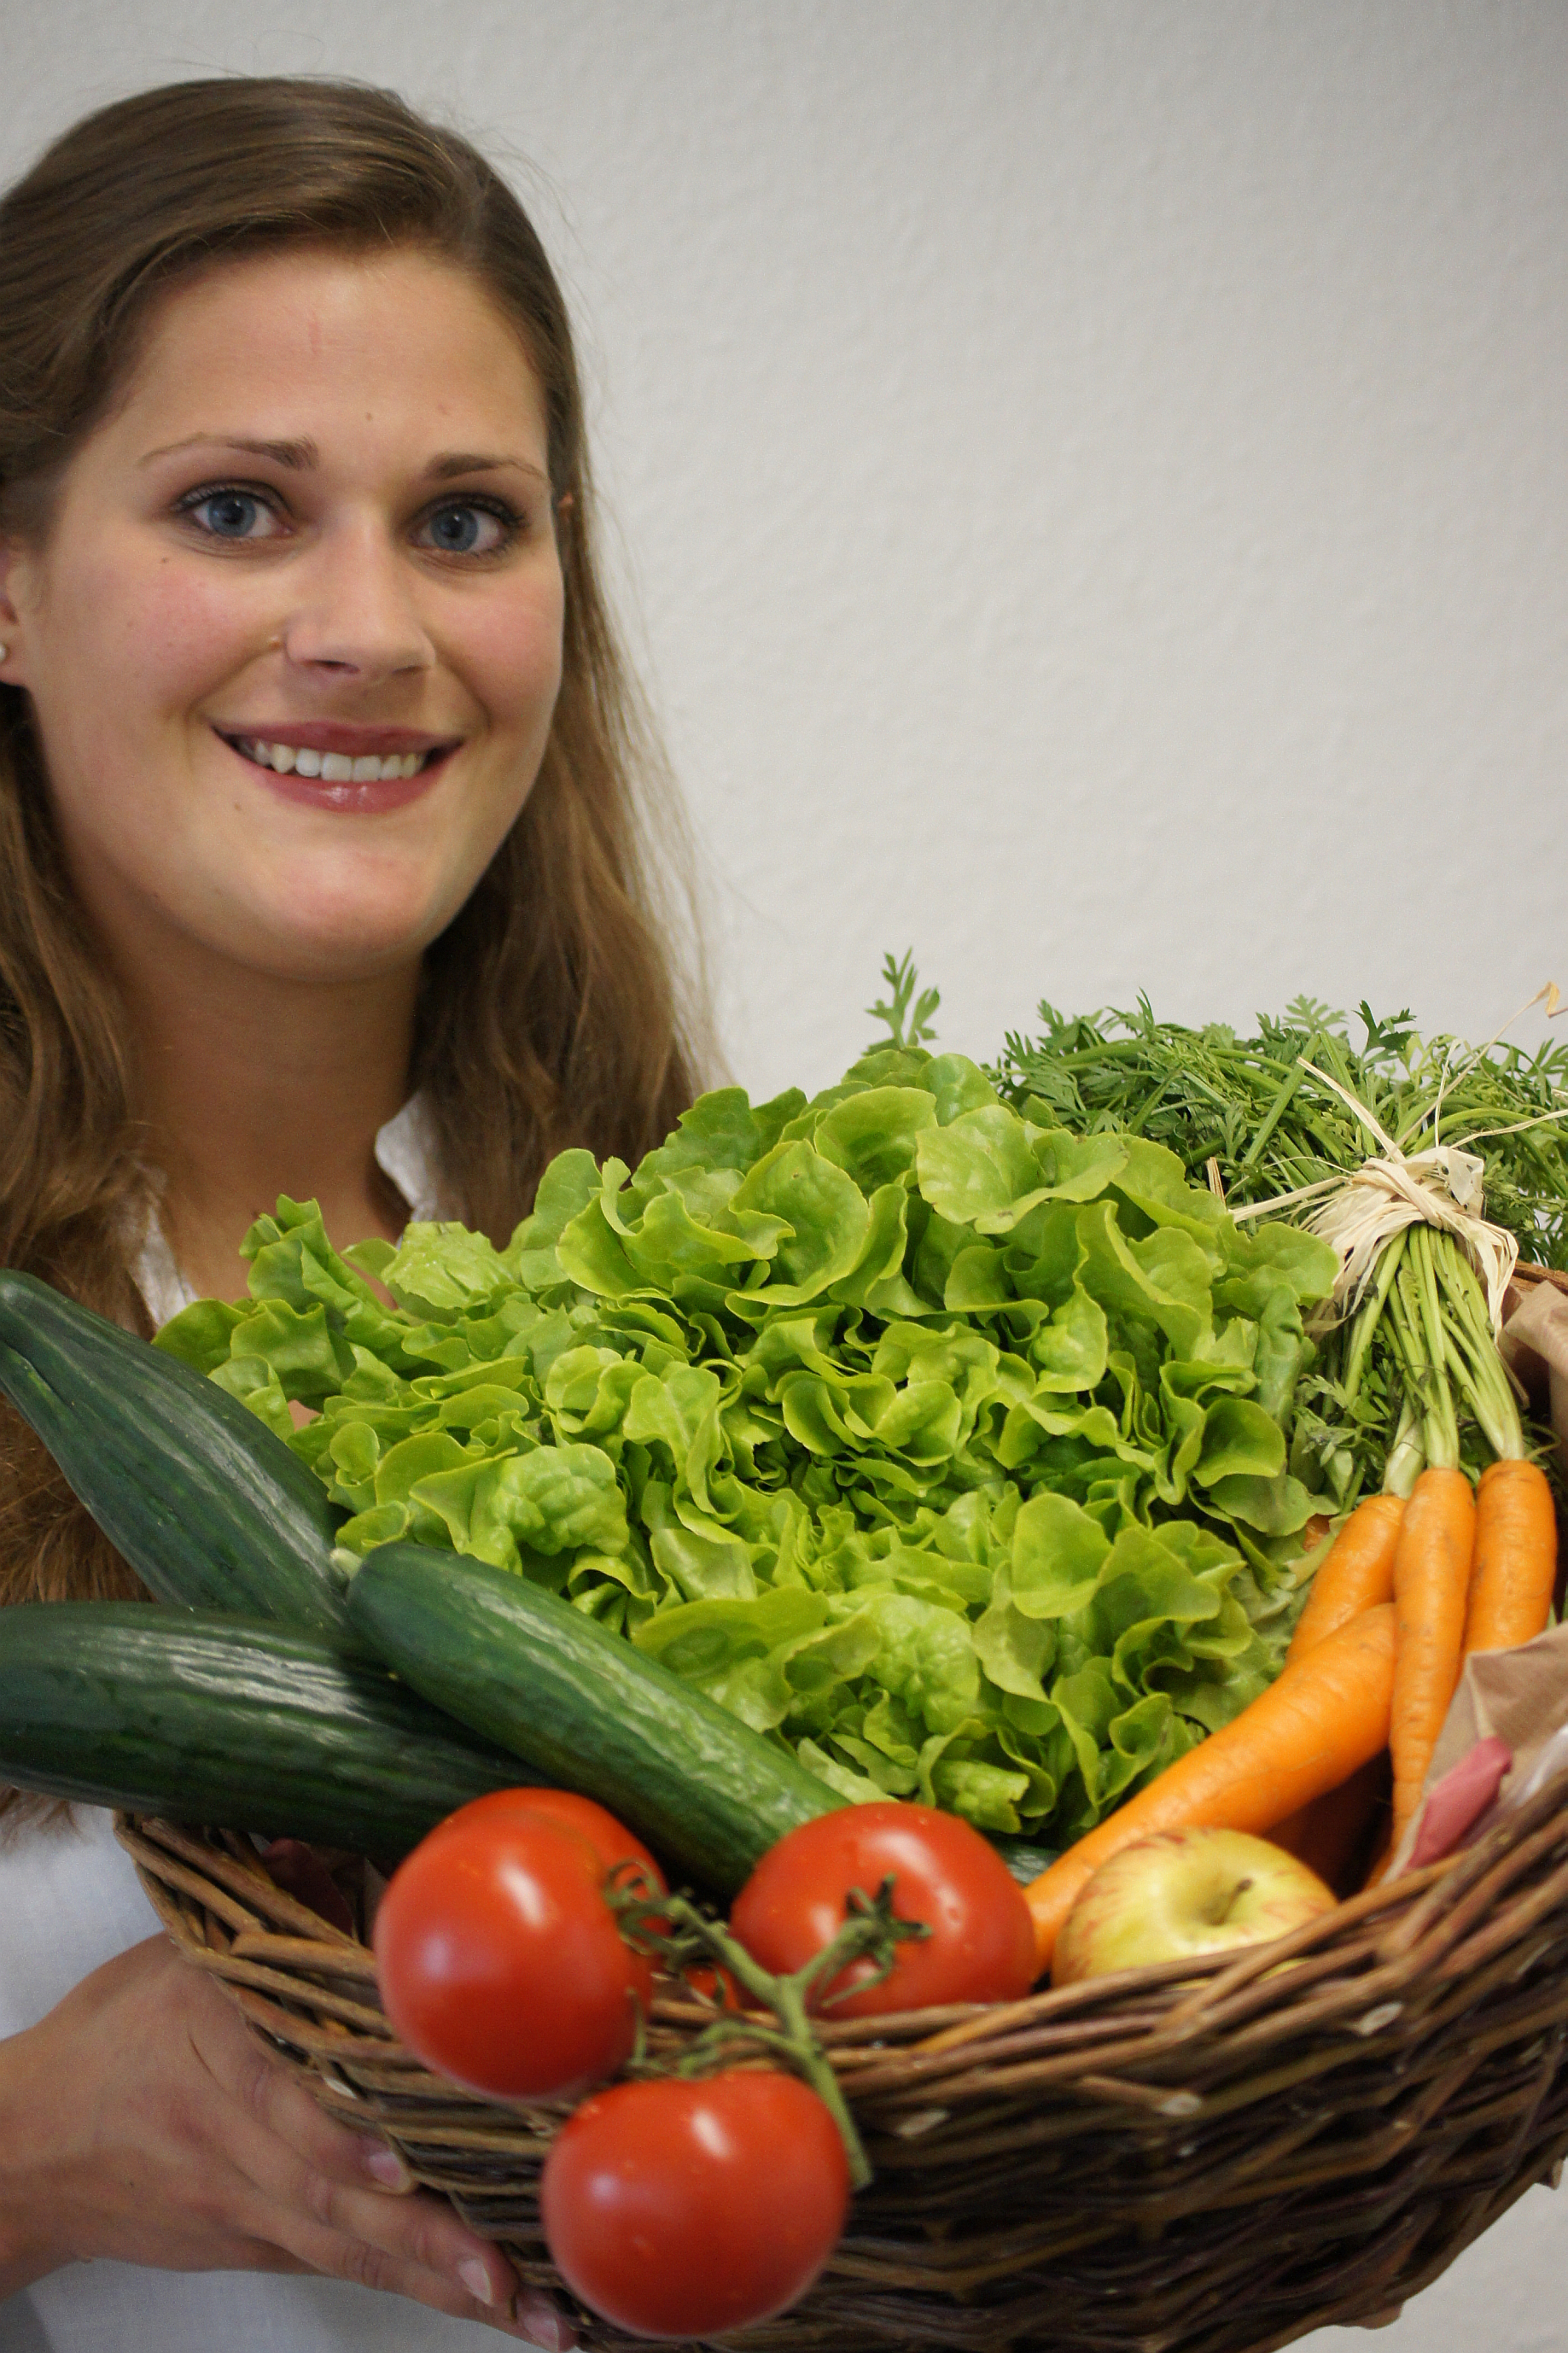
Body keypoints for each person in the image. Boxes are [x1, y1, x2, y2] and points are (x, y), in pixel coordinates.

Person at [0, 74, 705, 2351]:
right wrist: (30, 2144)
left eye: (468, 523)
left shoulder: (687, 1262)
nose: (371, 627)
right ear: (7, 582)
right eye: (235, 506)